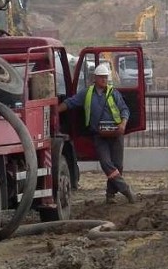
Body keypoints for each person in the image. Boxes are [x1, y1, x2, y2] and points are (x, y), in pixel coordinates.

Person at [58, 62, 136, 204]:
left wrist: (123, 124)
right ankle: (126, 190)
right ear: (95, 78)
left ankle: (110, 194)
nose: (104, 80)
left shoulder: (114, 93)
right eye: (101, 77)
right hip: (99, 135)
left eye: (106, 77)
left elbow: (125, 110)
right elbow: (70, 103)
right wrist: (55, 111)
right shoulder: (87, 93)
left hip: (115, 133)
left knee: (117, 165)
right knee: (106, 163)